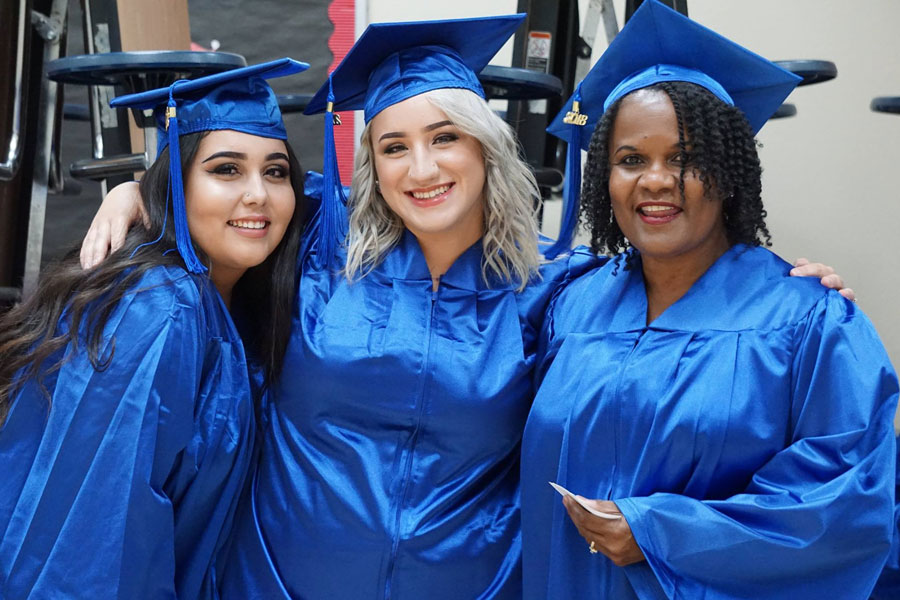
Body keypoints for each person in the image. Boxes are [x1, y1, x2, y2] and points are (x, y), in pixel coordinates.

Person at [79, 15, 853, 600]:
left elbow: (681, 298)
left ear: (486, 145)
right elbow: (227, 202)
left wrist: (777, 278)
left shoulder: (559, 287)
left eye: (445, 137)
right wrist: (137, 195)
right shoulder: (314, 245)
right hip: (276, 582)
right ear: (369, 166)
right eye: (393, 146)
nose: (422, 168)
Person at [520, 2, 899, 599]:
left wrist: (660, 532)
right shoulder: (571, 304)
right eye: (630, 159)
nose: (656, 180)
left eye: (686, 158)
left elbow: (846, 501)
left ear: (730, 171)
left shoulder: (807, 317)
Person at [0, 58, 308, 599]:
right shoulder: (160, 309)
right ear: (177, 183)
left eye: (276, 171)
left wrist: (137, 187)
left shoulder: (230, 295)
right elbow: (99, 543)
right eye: (226, 170)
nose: (259, 194)